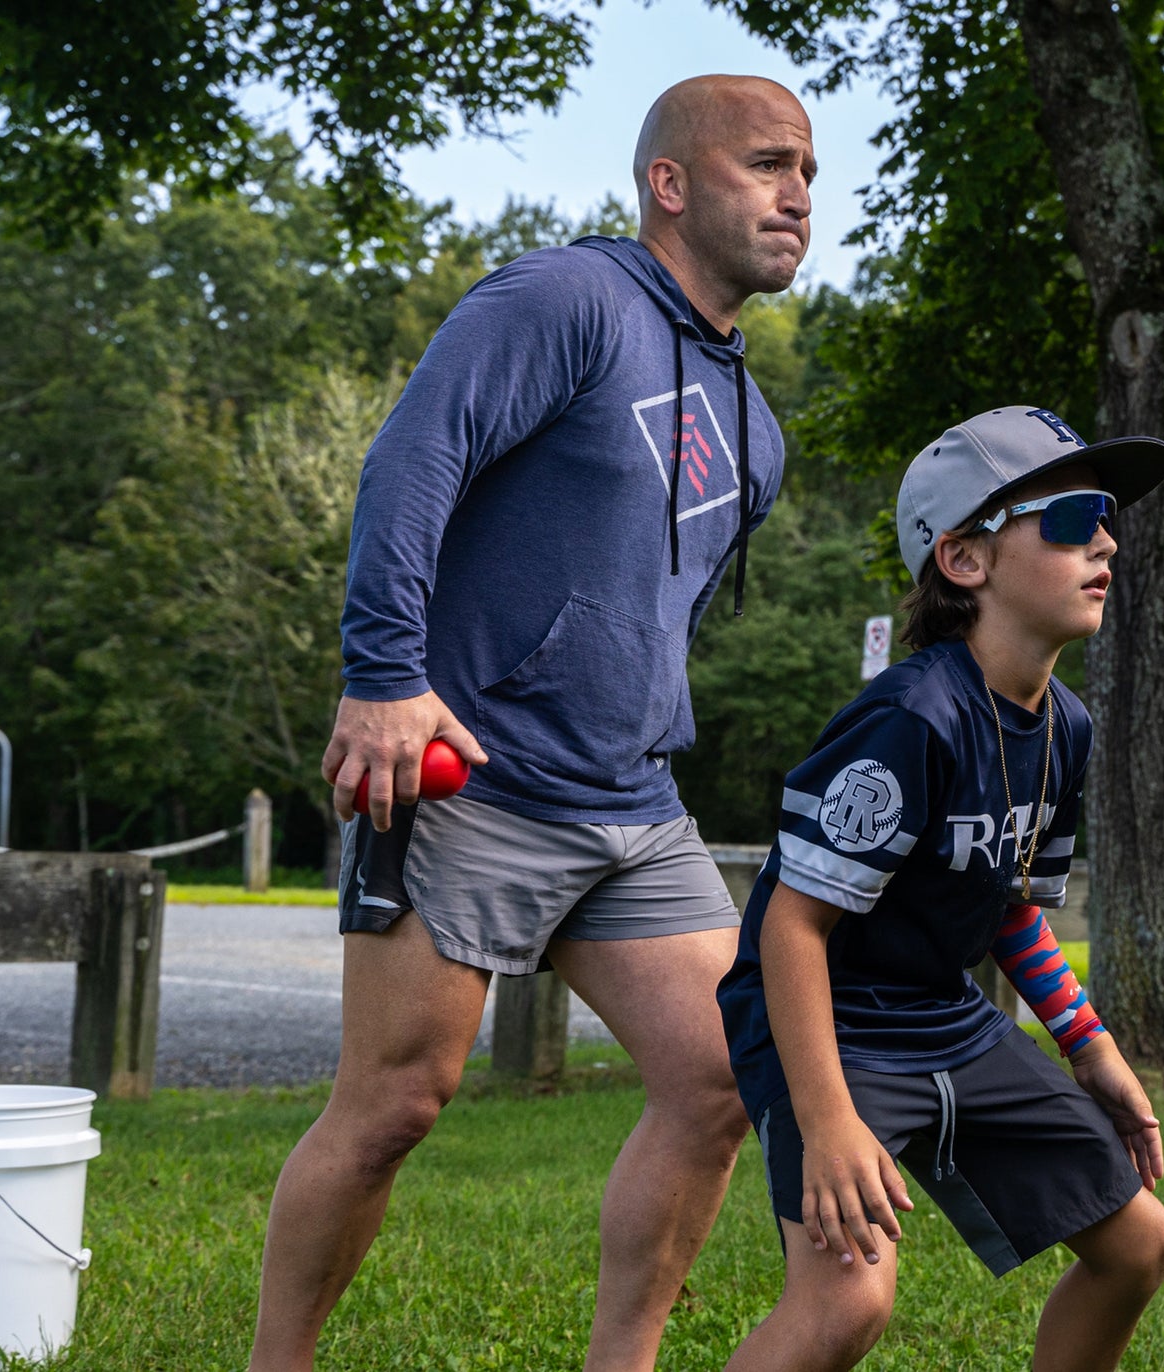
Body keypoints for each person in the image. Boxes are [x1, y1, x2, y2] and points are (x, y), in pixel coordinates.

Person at [248, 75, 816, 1372]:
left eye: (809, 173)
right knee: (395, 1102)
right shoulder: (563, 301)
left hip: (632, 803)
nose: (796, 195)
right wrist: (384, 675)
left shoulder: (757, 432)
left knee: (724, 1073)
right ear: (669, 181)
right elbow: (413, 464)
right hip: (473, 779)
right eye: (766, 162)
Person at [717, 407, 1164, 1371]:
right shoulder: (910, 720)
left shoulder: (1067, 728)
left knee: (1138, 1245)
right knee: (846, 1302)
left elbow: (1008, 904)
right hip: (829, 1029)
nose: (1104, 538)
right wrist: (829, 1117)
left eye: (1107, 519)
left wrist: (1090, 1049)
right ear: (965, 561)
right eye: (1069, 518)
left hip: (944, 1018)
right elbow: (790, 931)